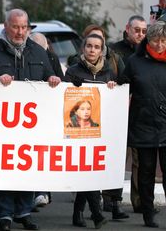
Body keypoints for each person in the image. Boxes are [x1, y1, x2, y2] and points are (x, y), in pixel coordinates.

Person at [0, 8, 61, 231]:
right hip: (1, 126)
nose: (20, 32)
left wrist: (52, 79)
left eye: (24, 27)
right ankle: (4, 215)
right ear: (6, 26)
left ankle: (24, 212)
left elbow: (52, 77)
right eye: (15, 27)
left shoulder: (39, 52)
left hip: (31, 127)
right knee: (4, 169)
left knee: (27, 167)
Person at [65, 33, 122, 228]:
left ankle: (78, 213)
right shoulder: (73, 71)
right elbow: (64, 99)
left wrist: (113, 88)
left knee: (90, 172)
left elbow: (115, 100)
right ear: (83, 48)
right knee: (85, 172)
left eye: (96, 47)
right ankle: (96, 213)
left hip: (99, 130)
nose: (92, 50)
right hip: (77, 131)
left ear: (102, 50)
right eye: (89, 46)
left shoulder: (108, 72)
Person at [119, 20, 166, 228]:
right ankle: (148, 213)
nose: (159, 45)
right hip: (142, 125)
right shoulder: (134, 61)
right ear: (148, 39)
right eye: (155, 40)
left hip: (165, 125)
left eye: (164, 40)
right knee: (145, 173)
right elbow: (121, 89)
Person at [110, 15, 148, 214]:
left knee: (139, 160)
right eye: (137, 30)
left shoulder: (147, 53)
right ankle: (111, 200)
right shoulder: (114, 51)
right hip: (117, 112)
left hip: (138, 114)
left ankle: (140, 201)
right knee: (116, 157)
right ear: (127, 29)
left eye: (143, 31)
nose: (140, 34)